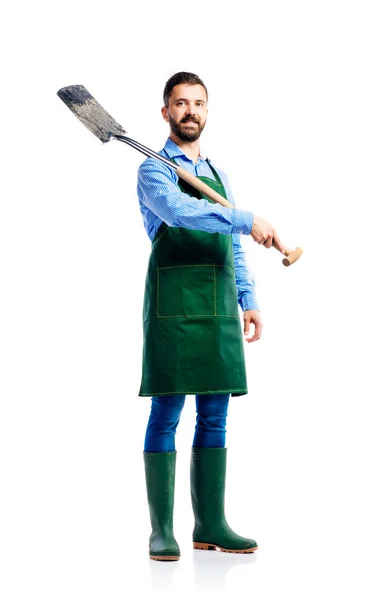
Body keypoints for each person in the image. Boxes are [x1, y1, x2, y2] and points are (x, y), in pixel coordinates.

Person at [137, 72, 285, 561]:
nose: (190, 111)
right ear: (166, 112)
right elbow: (180, 213)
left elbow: (232, 245)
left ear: (207, 110)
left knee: (216, 416)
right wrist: (245, 218)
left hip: (219, 305)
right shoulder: (153, 170)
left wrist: (249, 299)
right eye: (180, 103)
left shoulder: (218, 172)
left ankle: (212, 524)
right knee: (166, 413)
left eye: (198, 103)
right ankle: (162, 530)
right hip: (174, 308)